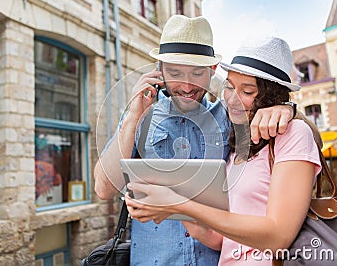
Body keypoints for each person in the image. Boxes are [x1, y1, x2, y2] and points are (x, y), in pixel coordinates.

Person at [94, 15, 296, 265]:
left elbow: (301, 141)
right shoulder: (139, 116)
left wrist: (286, 109)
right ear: (160, 69)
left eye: (197, 73)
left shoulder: (229, 116)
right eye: (176, 73)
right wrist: (134, 115)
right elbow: (103, 189)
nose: (187, 85)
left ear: (212, 71)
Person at [125, 36, 323, 265]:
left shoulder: (293, 133)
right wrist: (168, 204)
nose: (232, 99)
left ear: (272, 96)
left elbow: (277, 236)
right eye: (229, 86)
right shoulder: (238, 145)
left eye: (247, 91)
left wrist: (289, 110)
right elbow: (222, 240)